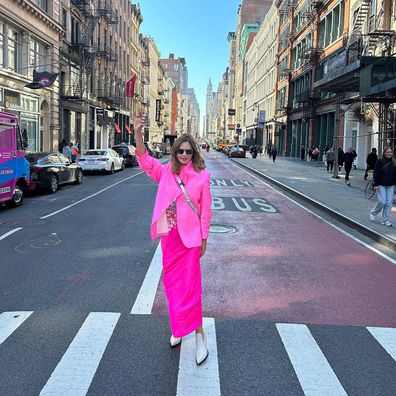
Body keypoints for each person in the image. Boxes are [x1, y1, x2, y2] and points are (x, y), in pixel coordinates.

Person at [134, 114, 212, 365]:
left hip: (190, 241)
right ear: (175, 151)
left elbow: (206, 210)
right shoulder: (167, 171)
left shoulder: (203, 176)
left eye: (188, 151)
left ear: (194, 152)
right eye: (180, 150)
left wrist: (204, 238)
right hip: (170, 239)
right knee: (173, 287)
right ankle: (179, 328)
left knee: (191, 288)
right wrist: (138, 135)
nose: (184, 154)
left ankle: (200, 335)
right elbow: (145, 161)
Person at [370, 147, 396, 227]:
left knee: (389, 203)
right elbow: (376, 173)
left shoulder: (394, 162)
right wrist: (376, 184)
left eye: (390, 152)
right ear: (384, 153)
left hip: (391, 185)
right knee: (382, 201)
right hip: (381, 184)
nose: (389, 153)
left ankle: (385, 220)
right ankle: (373, 212)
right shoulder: (380, 161)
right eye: (388, 152)